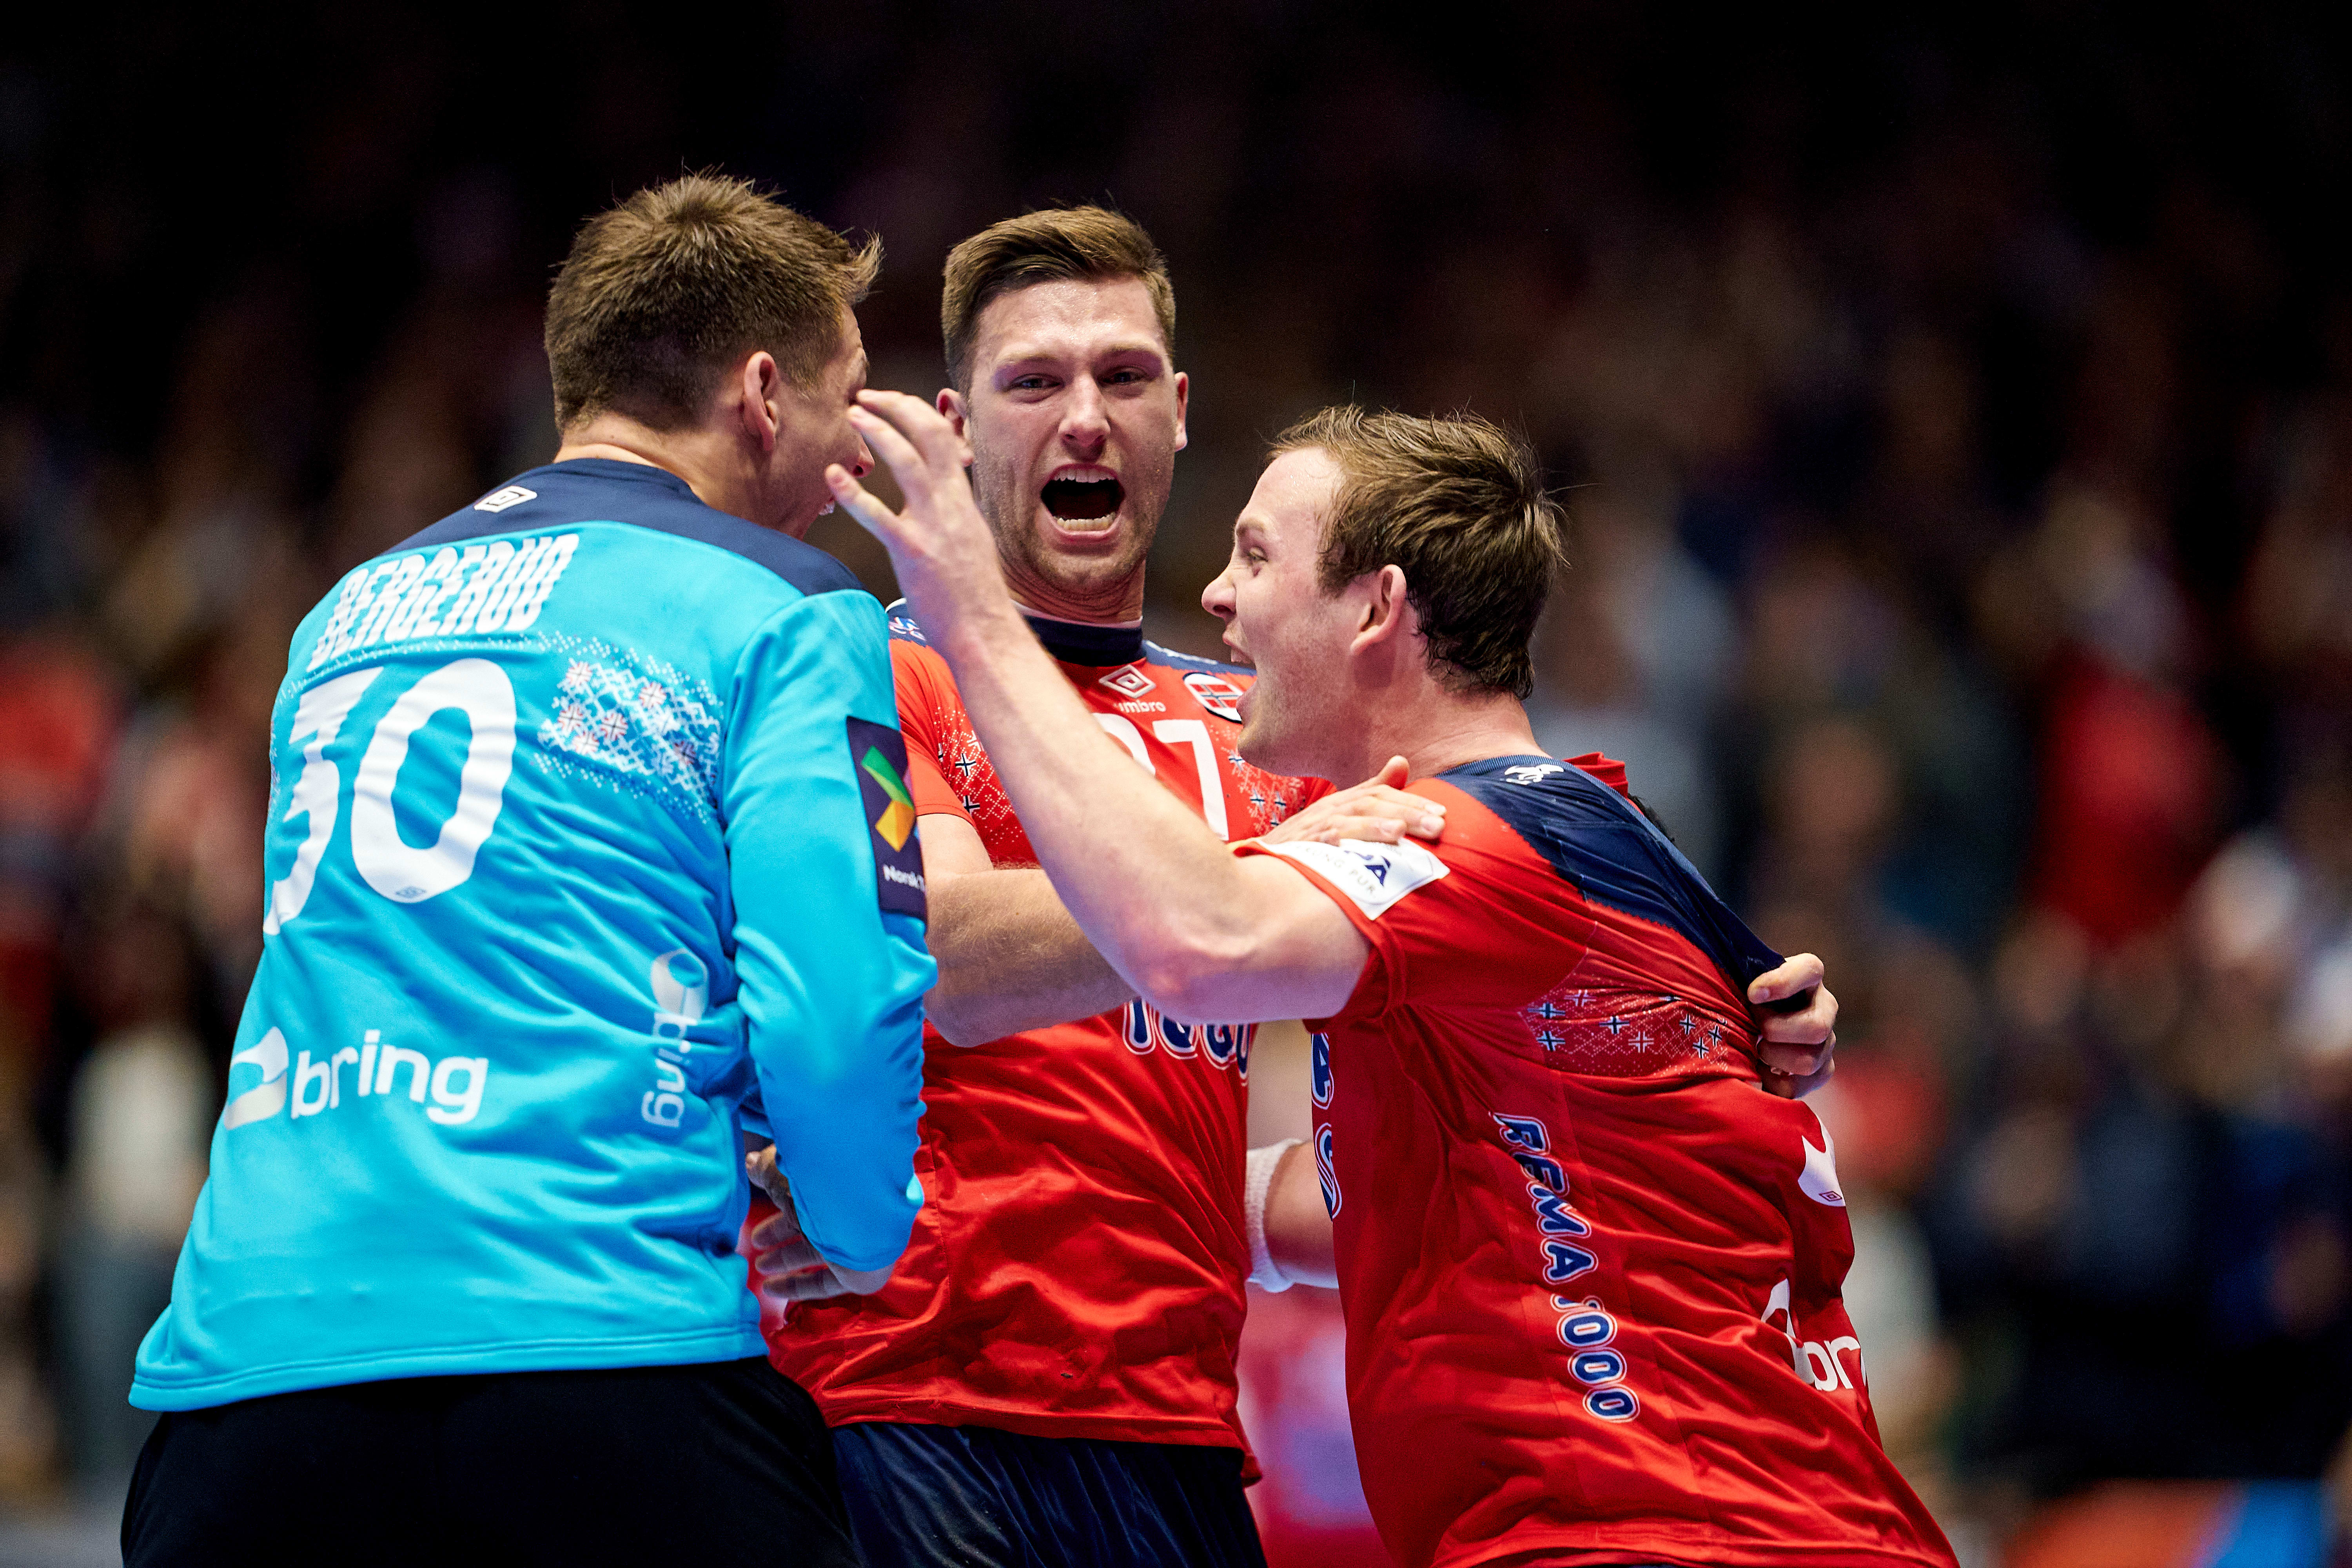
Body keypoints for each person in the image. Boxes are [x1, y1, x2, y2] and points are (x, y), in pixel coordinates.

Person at [746, 207, 1840, 1568]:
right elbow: (952, 956)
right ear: (962, 428)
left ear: (1179, 412)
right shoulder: (867, 670)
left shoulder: (1273, 736)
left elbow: (1488, 939)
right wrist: (1249, 880)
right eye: (1034, 382)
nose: (1084, 418)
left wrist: (1724, 1014)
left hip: (1182, 1424)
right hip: (917, 1397)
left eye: (1122, 377)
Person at [121, 174, 929, 1568]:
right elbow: (839, 998)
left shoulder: (341, 617)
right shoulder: (789, 611)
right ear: (762, 394)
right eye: (848, 398)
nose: (856, 449)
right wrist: (858, 1230)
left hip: (245, 1389)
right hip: (597, 1362)